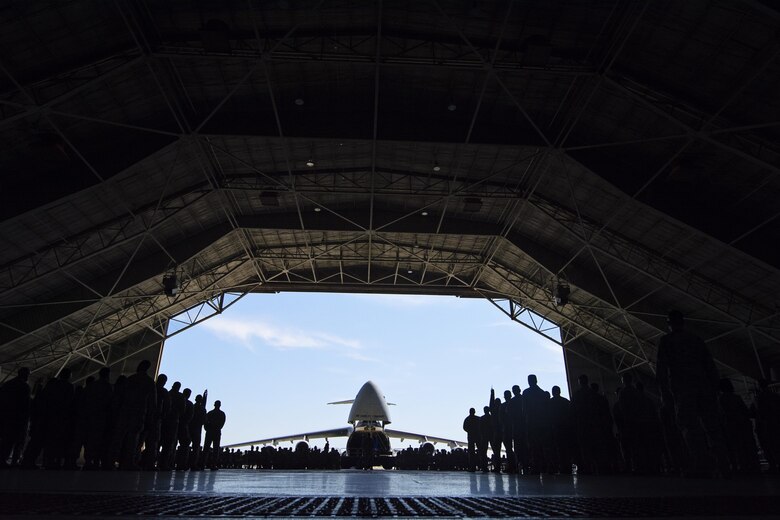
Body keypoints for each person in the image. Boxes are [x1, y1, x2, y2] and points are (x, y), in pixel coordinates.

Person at [656, 309, 728, 477]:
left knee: (690, 427)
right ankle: (723, 465)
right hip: (704, 388)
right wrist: (715, 388)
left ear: (669, 324)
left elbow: (661, 369)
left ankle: (701, 465)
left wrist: (665, 393)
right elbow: (710, 365)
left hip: (683, 389)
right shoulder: (696, 340)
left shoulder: (667, 341)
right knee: (712, 427)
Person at [109, 360, 156, 470]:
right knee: (133, 439)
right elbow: (152, 402)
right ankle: (128, 462)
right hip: (138, 413)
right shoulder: (148, 382)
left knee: (119, 438)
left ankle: (110, 461)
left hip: (125, 412)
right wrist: (150, 417)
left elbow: (119, 397)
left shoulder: (130, 380)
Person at [0, 367, 31, 467]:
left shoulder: (8, 384)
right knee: (19, 441)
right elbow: (26, 404)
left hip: (7, 418)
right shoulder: (25, 387)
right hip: (19, 419)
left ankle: (3, 459)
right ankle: (15, 460)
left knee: (7, 440)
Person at [202, 400, 226, 470]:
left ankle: (203, 464)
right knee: (215, 449)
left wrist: (208, 429)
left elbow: (205, 423)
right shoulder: (221, 414)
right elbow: (222, 424)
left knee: (206, 448)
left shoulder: (210, 413)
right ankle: (213, 465)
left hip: (210, 432)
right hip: (216, 432)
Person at [462, 407, 480, 472]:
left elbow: (464, 428)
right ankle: (482, 466)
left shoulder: (467, 419)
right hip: (477, 437)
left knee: (472, 453)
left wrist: (470, 431)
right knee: (480, 451)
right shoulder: (478, 419)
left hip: (471, 437)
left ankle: (472, 467)